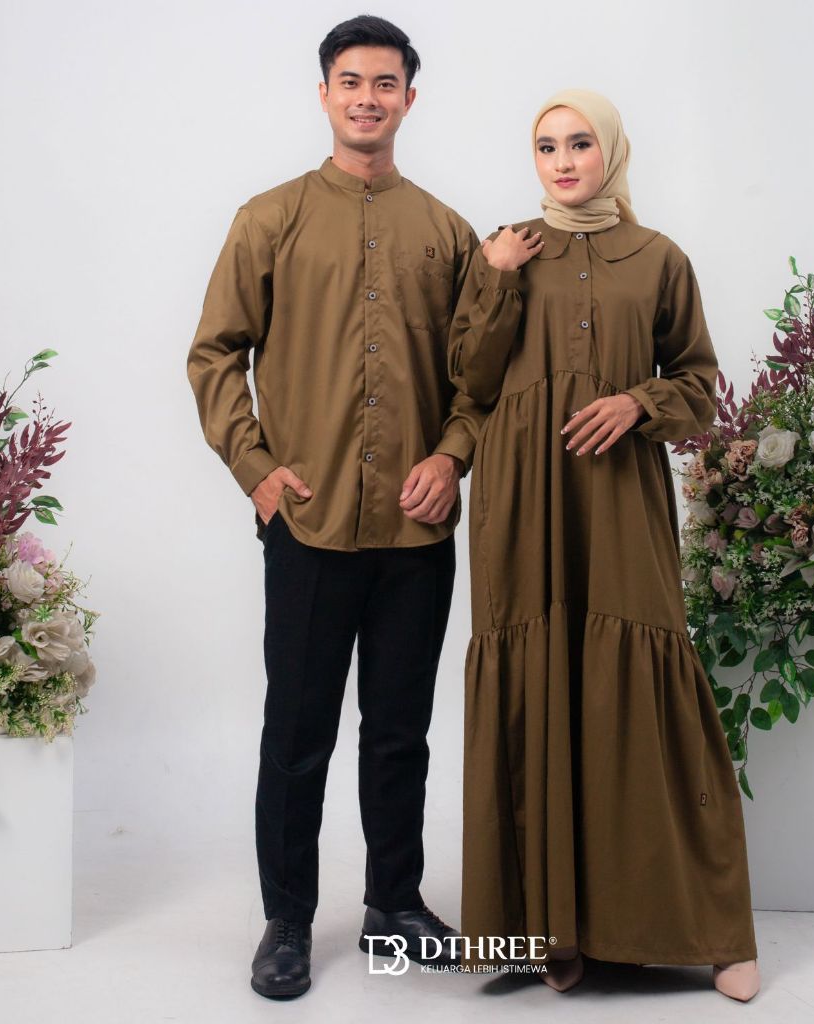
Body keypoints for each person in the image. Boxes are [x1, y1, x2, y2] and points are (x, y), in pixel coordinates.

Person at [187, 15, 483, 1001]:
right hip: (307, 525)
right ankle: (287, 921)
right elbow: (214, 353)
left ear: (409, 98)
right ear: (323, 94)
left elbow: (478, 375)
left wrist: (451, 454)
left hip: (414, 528)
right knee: (298, 731)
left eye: (385, 82)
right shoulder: (269, 219)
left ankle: (394, 906)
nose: (367, 97)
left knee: (399, 732)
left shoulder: (446, 232)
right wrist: (257, 469)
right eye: (350, 81)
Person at [447, 89, 761, 1001]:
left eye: (580, 143)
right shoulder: (505, 248)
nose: (563, 162)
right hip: (521, 498)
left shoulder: (659, 258)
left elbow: (699, 383)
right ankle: (554, 927)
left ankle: (711, 929)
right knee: (537, 683)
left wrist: (637, 402)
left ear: (611, 151)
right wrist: (497, 277)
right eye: (546, 147)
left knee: (643, 680)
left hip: (620, 494)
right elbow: (469, 377)